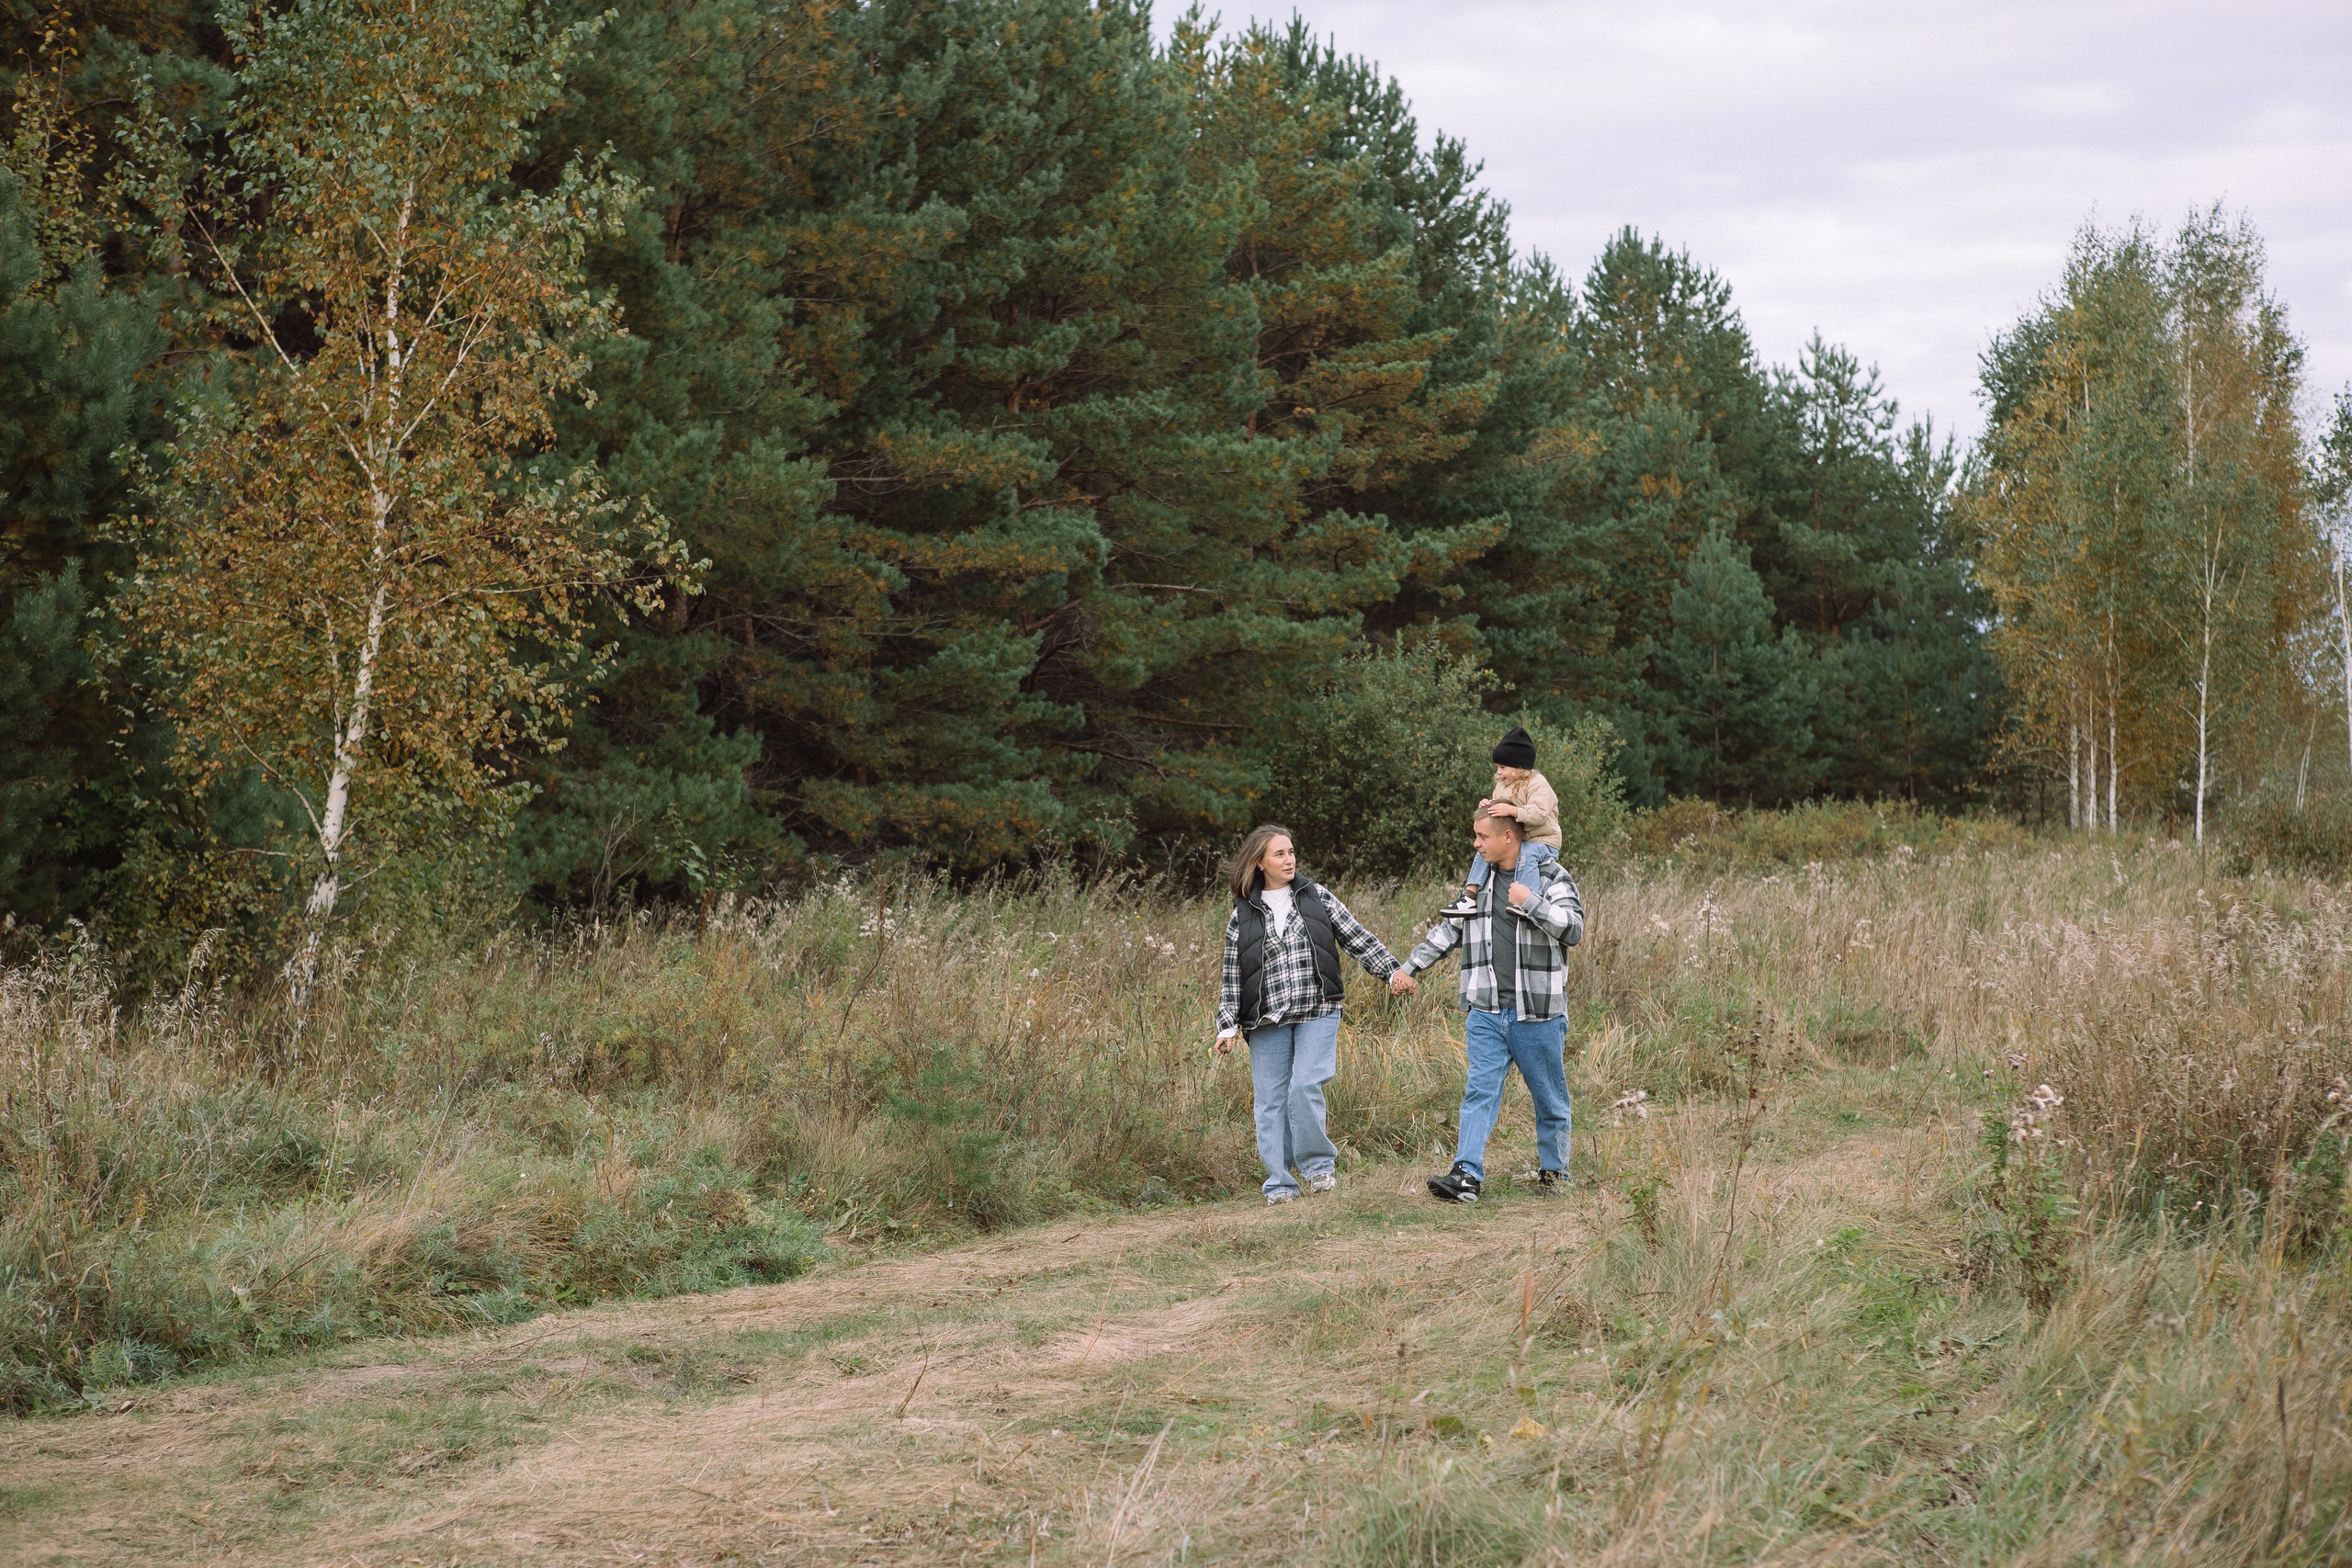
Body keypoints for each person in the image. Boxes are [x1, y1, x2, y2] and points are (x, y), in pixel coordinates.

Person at [1394, 805, 1586, 1204]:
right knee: (1478, 1093)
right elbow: (1450, 929)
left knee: (1549, 1099)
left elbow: (1574, 929)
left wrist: (1531, 902)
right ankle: (1466, 1176)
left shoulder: (1551, 876)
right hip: (1485, 1009)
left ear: (1508, 837)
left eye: (1483, 836)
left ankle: (1555, 1173)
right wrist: (1410, 967)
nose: (1476, 844)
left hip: (1538, 1012)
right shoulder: (1478, 883)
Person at [1214, 825, 1405, 1205]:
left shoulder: (1317, 897)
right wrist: (1227, 1026)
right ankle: (1280, 1184)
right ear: (1259, 862)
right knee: (1270, 1101)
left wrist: (1392, 971)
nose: (1289, 860)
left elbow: (1357, 938)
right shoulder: (1243, 914)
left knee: (1303, 1086)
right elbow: (1232, 973)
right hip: (1266, 1018)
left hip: (1318, 1008)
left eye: (1291, 852)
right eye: (1279, 854)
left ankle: (1319, 1169)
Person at [1438, 726, 1562, 919]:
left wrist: (1512, 811)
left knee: (1527, 854)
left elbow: (1539, 813)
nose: (1499, 772)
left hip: (1542, 841)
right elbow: (1500, 814)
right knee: (1483, 849)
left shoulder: (1538, 784)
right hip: (1520, 840)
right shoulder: (1502, 785)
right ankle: (1469, 896)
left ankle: (1530, 900)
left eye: (1503, 767)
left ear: (1520, 767)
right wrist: (1488, 806)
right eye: (1497, 767)